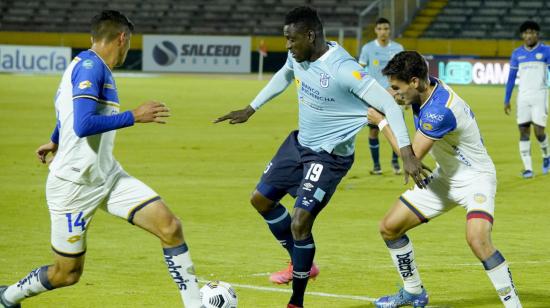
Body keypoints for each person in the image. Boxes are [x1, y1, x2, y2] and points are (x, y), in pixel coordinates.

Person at [215, 7, 428, 308]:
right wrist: (251, 108)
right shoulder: (298, 57)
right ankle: (301, 262)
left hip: (329, 157)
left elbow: (390, 106)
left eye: (291, 40)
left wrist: (406, 154)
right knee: (260, 200)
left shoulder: (343, 69)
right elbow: (284, 74)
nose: (287, 46)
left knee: (300, 223)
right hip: (300, 144)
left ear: (310, 35)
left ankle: (296, 301)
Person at [0, 10, 201, 308]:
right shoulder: (92, 68)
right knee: (66, 274)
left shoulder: (81, 63)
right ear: (122, 38)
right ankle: (7, 296)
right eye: (129, 42)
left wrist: (55, 139)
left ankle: (195, 305)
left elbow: (65, 112)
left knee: (170, 227)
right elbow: (82, 124)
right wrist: (135, 115)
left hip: (107, 175)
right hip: (73, 186)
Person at [368, 51, 522, 308]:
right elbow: (390, 91)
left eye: (397, 88)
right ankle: (414, 291)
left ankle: (514, 305)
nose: (394, 93)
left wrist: (381, 123)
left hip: (476, 179)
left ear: (415, 81)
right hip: (445, 178)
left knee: (478, 240)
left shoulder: (438, 111)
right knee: (389, 227)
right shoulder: (426, 87)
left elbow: (412, 158)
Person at [504, 20, 550, 178]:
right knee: (523, 132)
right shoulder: (517, 53)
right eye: (526, 33)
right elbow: (511, 78)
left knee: (539, 133)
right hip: (523, 97)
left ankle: (546, 156)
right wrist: (507, 99)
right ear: (522, 35)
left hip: (540, 96)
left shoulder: (546, 51)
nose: (528, 35)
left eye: (532, 32)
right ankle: (528, 168)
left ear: (537, 34)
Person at [359, 17, 404, 175]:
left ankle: (395, 162)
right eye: (380, 29)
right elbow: (360, 72)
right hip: (373, 97)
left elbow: (403, 73)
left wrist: (399, 92)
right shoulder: (368, 48)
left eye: (386, 28)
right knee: (373, 131)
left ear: (389, 30)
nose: (383, 32)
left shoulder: (398, 48)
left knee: (396, 130)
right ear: (375, 30)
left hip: (393, 96)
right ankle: (377, 165)